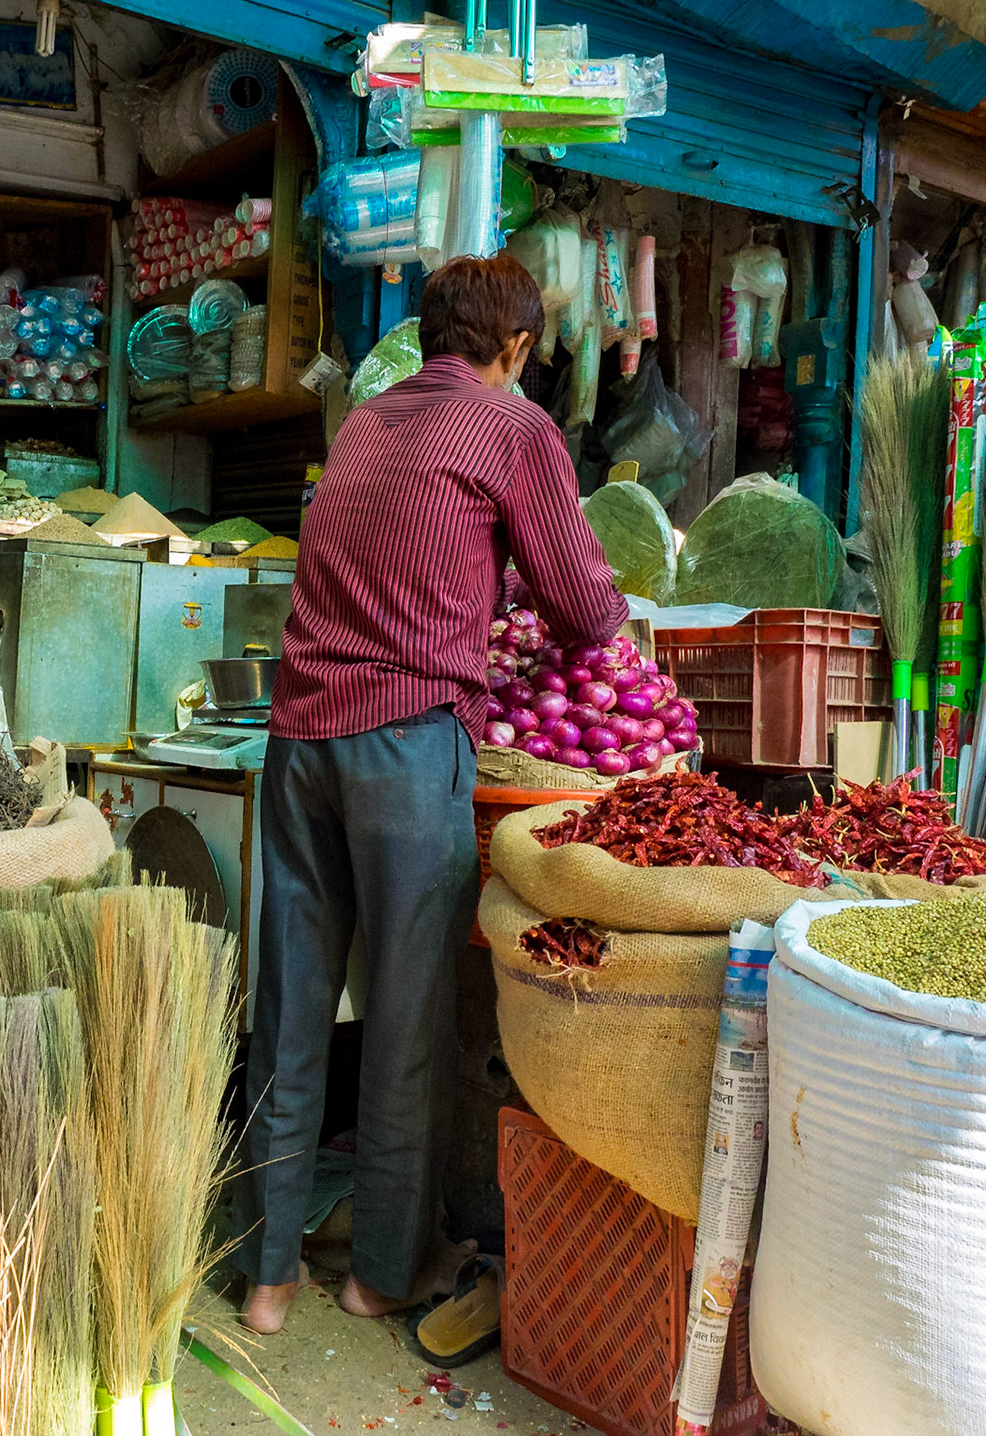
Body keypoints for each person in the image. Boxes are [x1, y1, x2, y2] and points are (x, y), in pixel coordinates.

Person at [236, 254, 626, 1335]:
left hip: (300, 741)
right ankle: (380, 1273)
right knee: (406, 1015)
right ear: (512, 349)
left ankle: (266, 1280)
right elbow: (584, 603)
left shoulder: (364, 423)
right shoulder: (511, 428)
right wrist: (620, 625)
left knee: (293, 1007)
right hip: (406, 746)